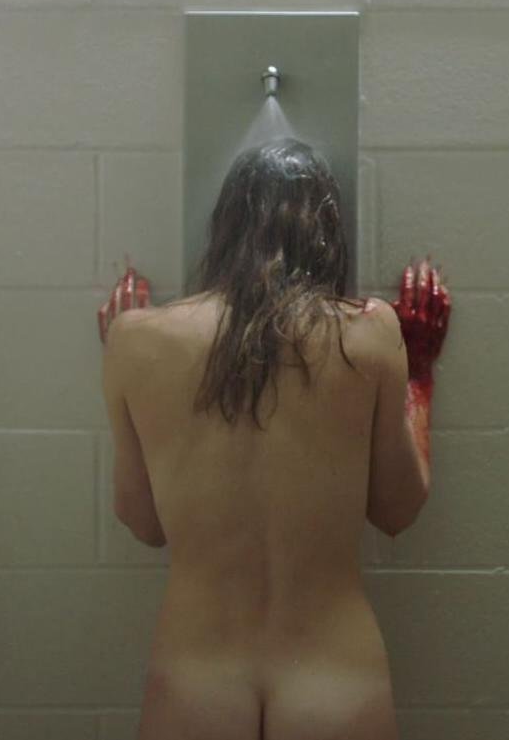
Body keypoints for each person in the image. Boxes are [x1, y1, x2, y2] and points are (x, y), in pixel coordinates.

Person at [92, 138, 452, 739]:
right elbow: (397, 510)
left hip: (195, 678)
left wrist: (127, 366)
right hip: (336, 678)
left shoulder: (136, 339)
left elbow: (143, 522)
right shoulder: (370, 333)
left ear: (224, 227)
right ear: (328, 233)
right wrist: (418, 374)